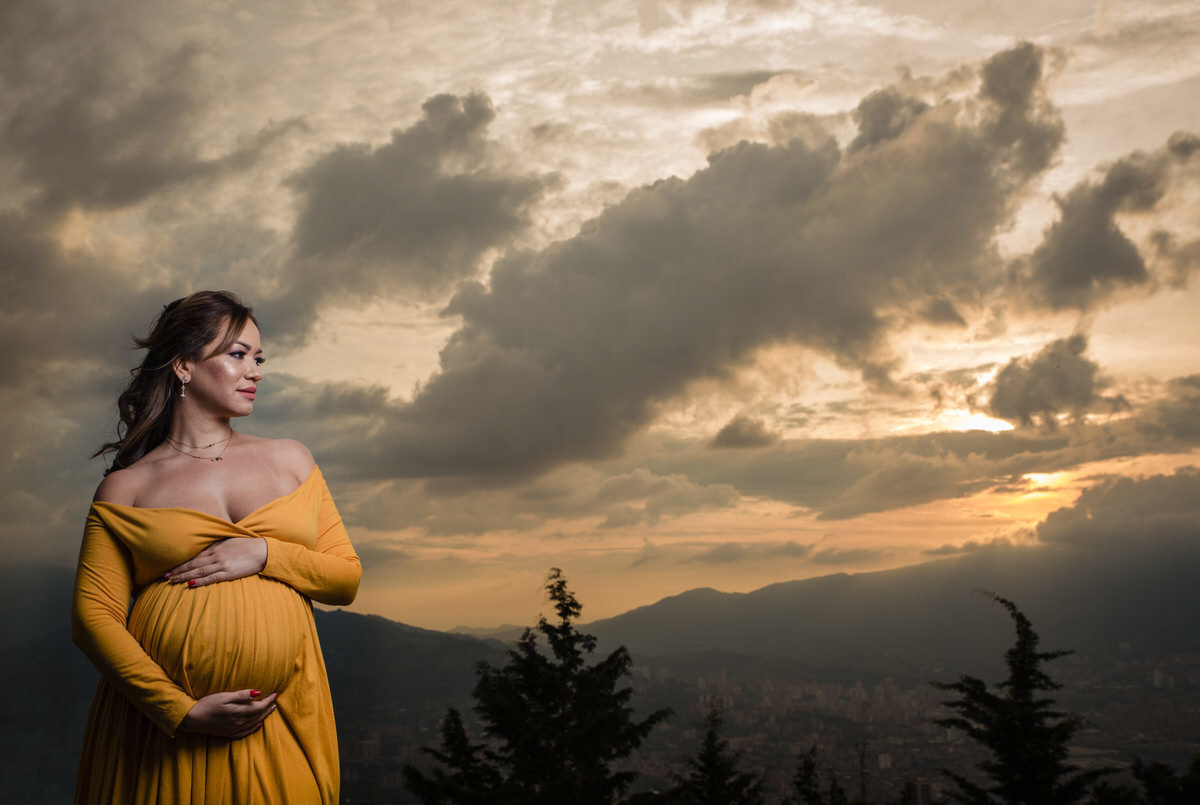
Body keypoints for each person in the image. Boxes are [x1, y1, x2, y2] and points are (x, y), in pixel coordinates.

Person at [71, 291, 361, 804]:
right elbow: (93, 617)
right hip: (161, 734)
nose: (256, 371)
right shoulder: (128, 487)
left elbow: (345, 579)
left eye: (259, 358)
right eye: (238, 354)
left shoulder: (292, 460)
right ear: (183, 365)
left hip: (279, 720)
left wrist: (266, 555)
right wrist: (178, 710)